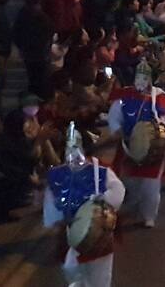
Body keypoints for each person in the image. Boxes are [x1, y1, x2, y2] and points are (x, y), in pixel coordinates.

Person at [44, 123, 126, 287]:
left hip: (99, 236)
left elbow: (118, 191)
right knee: (75, 276)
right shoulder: (56, 176)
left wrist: (100, 202)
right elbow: (51, 205)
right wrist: (59, 222)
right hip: (71, 237)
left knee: (100, 279)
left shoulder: (101, 172)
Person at [107, 60, 165, 227]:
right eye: (138, 77)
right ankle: (133, 203)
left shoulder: (159, 96)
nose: (140, 81)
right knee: (129, 180)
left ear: (150, 79)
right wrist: (117, 129)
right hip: (128, 145)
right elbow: (114, 116)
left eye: (144, 78)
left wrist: (162, 128)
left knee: (151, 184)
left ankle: (149, 215)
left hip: (153, 148)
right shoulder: (124, 96)